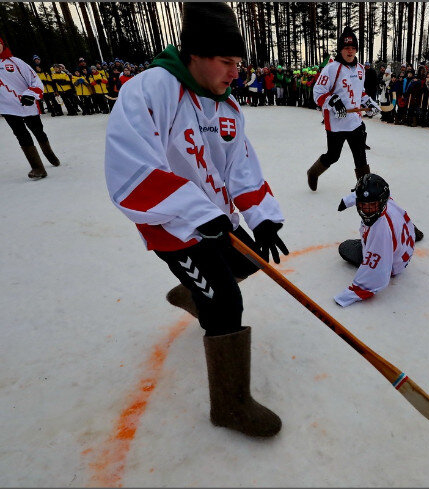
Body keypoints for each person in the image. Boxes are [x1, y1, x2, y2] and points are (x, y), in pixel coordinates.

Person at [104, 3, 289, 438]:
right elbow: (131, 170)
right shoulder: (150, 89)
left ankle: (194, 293)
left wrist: (262, 217)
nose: (234, 72)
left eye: (238, 63)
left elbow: (241, 166)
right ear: (195, 54)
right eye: (226, 61)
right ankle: (230, 405)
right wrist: (196, 212)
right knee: (226, 305)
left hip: (214, 218)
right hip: (173, 227)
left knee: (248, 261)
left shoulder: (227, 109)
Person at [306, 26, 380, 191]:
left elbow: (359, 92)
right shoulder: (332, 68)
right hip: (336, 124)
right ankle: (313, 172)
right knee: (333, 156)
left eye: (353, 48)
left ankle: (364, 189)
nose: (350, 51)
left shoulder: (361, 69)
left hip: (355, 121)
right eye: (347, 48)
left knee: (360, 156)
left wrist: (368, 102)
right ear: (340, 50)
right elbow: (318, 93)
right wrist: (333, 101)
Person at [334, 173, 418, 307]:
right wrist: (346, 200)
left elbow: (377, 272)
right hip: (402, 250)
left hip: (392, 263)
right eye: (363, 205)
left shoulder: (380, 231)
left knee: (344, 248)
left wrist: (351, 294)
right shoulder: (388, 202)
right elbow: (362, 195)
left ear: (381, 202)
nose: (366, 211)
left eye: (371, 206)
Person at [0, 36, 61, 179]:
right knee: (21, 135)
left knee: (38, 131)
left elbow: (35, 80)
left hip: (27, 104)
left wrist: (30, 94)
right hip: (8, 108)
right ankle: (37, 168)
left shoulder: (16, 62)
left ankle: (49, 154)